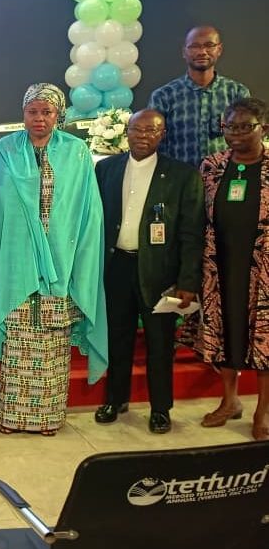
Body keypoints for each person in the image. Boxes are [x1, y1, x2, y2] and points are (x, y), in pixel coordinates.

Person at [0, 83, 108, 435]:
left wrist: (80, 258)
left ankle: (48, 418)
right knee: (18, 342)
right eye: (32, 111)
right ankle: (12, 417)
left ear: (58, 115)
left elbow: (87, 211)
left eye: (47, 112)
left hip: (61, 262)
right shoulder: (5, 150)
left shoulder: (76, 152)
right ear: (23, 114)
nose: (39, 118)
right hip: (16, 262)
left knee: (52, 345)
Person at [93, 109, 204, 434]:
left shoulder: (182, 175)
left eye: (151, 131)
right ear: (126, 132)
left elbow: (192, 233)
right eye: (136, 130)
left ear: (162, 135)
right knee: (118, 337)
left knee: (159, 343)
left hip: (159, 273)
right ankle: (115, 399)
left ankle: (160, 409)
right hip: (116, 267)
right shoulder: (106, 168)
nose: (143, 136)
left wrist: (187, 281)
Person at [197, 97, 269, 441]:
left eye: (244, 127)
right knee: (225, 331)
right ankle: (230, 401)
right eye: (229, 127)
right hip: (220, 265)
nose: (236, 134)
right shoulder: (212, 166)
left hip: (264, 269)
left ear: (263, 128)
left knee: (265, 337)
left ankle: (262, 412)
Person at [149, 25, 250, 168]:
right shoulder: (163, 96)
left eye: (209, 45)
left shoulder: (237, 93)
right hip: (179, 177)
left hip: (225, 176)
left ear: (219, 49)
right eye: (194, 46)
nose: (202, 52)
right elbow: (155, 144)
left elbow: (247, 140)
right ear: (184, 52)